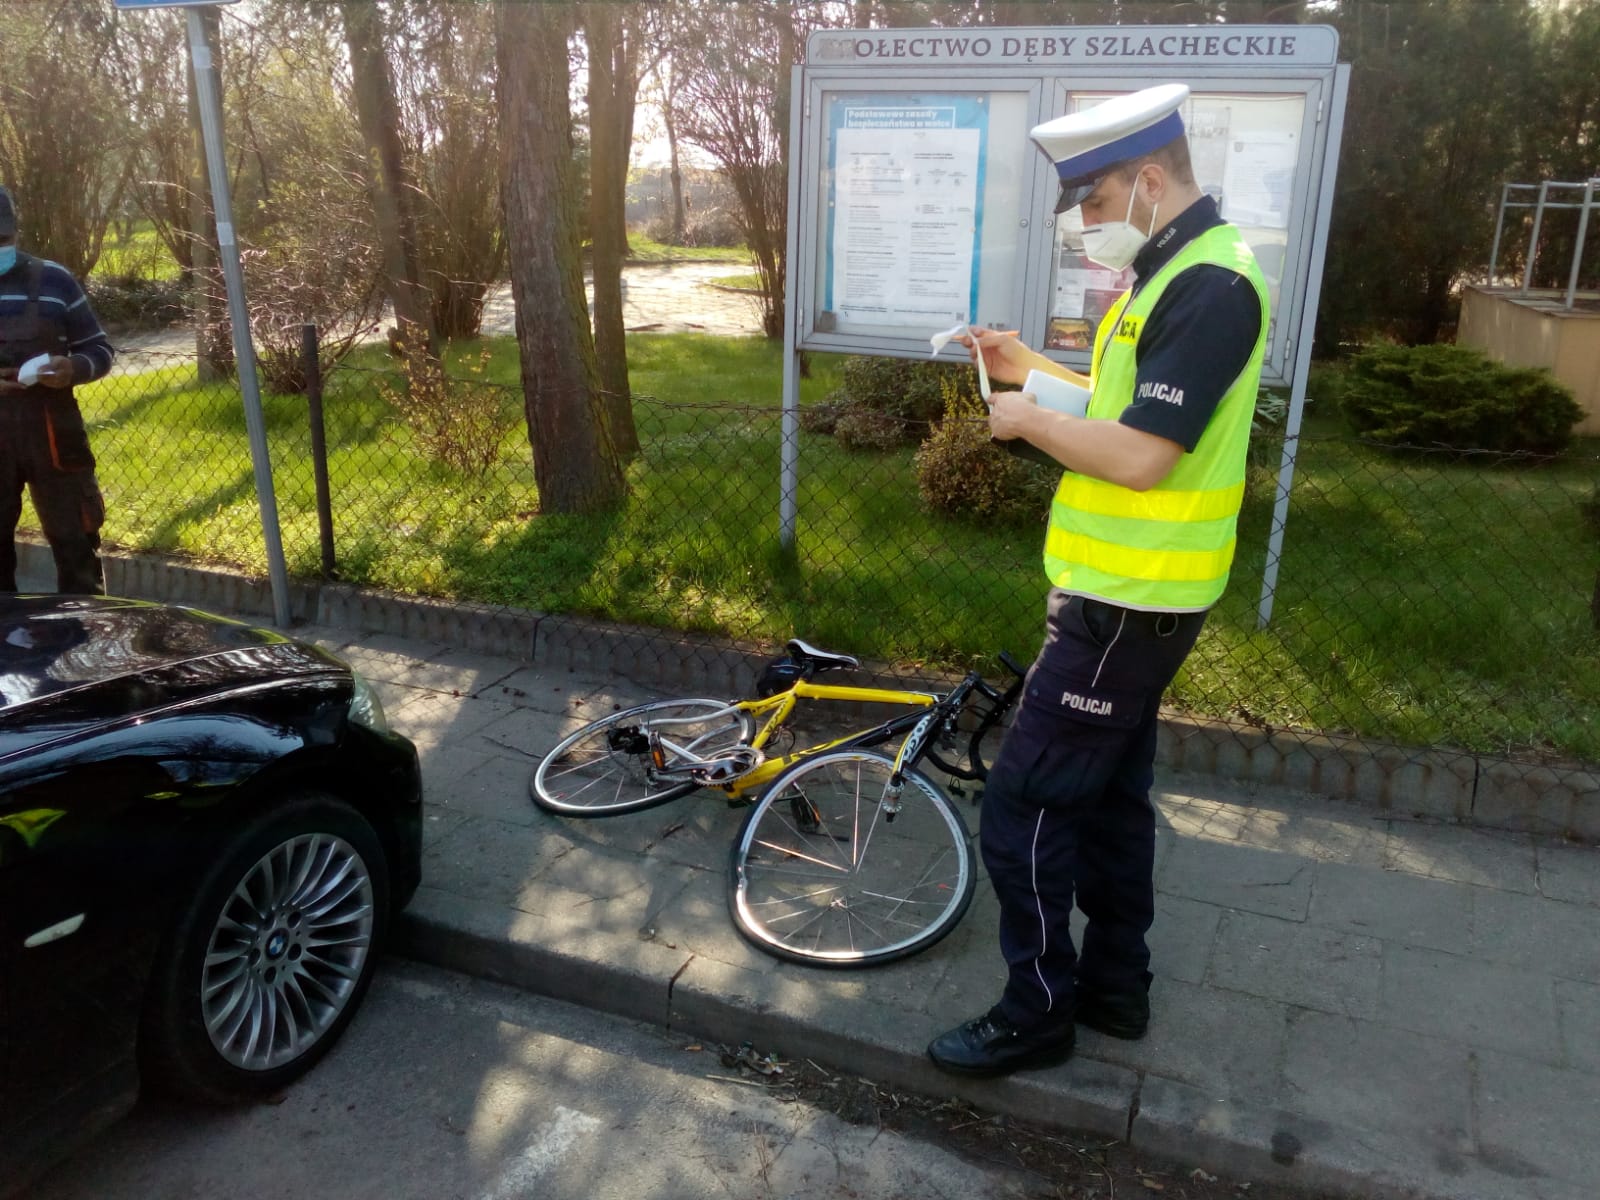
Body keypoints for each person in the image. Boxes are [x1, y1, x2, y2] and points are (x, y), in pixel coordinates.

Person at [927, 84, 1269, 1077]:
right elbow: (1118, 404)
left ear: (1149, 181)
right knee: (1111, 804)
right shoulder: (1176, 272)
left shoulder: (1211, 287)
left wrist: (1024, 425)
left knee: (1023, 806)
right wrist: (1024, 369)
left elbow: (1141, 455)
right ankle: (1116, 990)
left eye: (1093, 199)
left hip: (1128, 605)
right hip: (1132, 598)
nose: (1085, 222)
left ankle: (1037, 1011)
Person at [0, 185, 115, 595]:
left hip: (55, 434)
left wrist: (73, 368)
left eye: (4, 238)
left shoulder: (55, 280)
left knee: (77, 548)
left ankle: (86, 646)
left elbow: (100, 349)